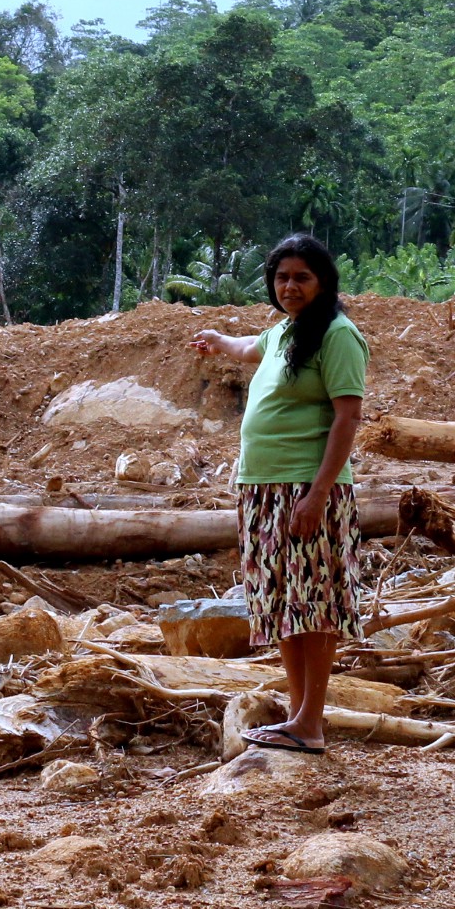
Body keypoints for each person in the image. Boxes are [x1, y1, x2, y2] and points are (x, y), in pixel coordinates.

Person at [188, 233, 366, 754]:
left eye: (302, 278)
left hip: (306, 491)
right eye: (282, 277)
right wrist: (220, 340)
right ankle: (296, 718)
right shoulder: (283, 332)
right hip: (262, 491)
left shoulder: (337, 334)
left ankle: (311, 721)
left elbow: (348, 417)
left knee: (314, 604)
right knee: (283, 604)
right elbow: (248, 348)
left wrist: (316, 495)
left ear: (323, 283)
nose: (290, 286)